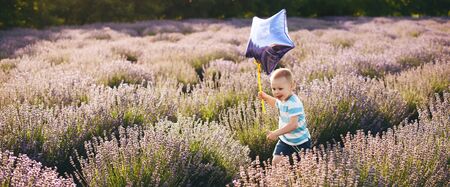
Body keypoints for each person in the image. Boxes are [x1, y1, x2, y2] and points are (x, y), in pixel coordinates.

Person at [258, 68, 312, 166]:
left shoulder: (294, 103)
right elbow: (276, 103)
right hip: (285, 140)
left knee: (304, 167)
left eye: (280, 89)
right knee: (276, 161)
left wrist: (276, 133)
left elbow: (293, 125)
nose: (276, 92)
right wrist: (266, 97)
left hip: (300, 141)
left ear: (292, 86)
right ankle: (279, 179)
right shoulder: (282, 99)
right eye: (273, 89)